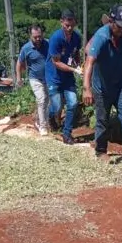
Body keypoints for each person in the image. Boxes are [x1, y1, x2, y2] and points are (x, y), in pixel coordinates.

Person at [83, 5, 122, 166]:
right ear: (111, 21)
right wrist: (86, 88)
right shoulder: (101, 36)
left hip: (120, 84)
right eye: (119, 26)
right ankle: (101, 150)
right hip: (101, 87)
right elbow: (89, 62)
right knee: (103, 119)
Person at [46, 9, 84, 144]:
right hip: (54, 77)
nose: (69, 28)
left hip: (68, 77)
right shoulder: (56, 38)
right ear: (61, 22)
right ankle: (50, 117)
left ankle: (66, 133)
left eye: (72, 25)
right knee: (57, 107)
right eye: (67, 25)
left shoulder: (77, 37)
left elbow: (76, 53)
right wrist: (74, 69)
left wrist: (78, 64)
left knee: (73, 103)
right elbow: (56, 62)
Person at [16, 24, 50, 136]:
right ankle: (43, 126)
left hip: (48, 78)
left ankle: (39, 119)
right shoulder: (26, 48)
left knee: (48, 101)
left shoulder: (48, 44)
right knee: (41, 99)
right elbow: (19, 63)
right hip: (35, 78)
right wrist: (19, 77)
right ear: (30, 36)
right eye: (35, 37)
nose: (38, 39)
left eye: (39, 36)